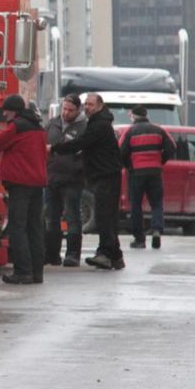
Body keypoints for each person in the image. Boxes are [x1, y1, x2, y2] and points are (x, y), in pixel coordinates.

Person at [51, 92, 125, 270]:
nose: (87, 107)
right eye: (86, 104)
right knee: (107, 216)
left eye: (90, 104)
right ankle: (115, 256)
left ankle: (105, 254)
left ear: (100, 106)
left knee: (104, 216)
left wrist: (54, 148)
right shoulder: (99, 122)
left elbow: (80, 143)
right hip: (105, 174)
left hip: (105, 176)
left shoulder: (99, 125)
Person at [0, 94, 48, 284]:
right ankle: (37, 272)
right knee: (34, 228)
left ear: (13, 111)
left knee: (18, 227)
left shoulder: (17, 126)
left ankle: (23, 272)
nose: (4, 114)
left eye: (6, 111)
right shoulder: (38, 127)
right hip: (37, 182)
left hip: (20, 183)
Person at [120, 104, 176, 249]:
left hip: (136, 173)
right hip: (155, 172)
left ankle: (139, 239)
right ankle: (156, 230)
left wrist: (129, 165)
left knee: (136, 205)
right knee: (156, 203)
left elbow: (121, 151)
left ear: (133, 116)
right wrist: (160, 160)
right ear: (146, 115)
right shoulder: (158, 130)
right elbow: (172, 147)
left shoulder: (129, 131)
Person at [44, 94, 88, 267]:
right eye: (64, 109)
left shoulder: (84, 127)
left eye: (70, 110)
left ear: (78, 110)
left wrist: (78, 168)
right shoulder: (53, 123)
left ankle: (73, 254)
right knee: (51, 218)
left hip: (72, 179)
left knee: (72, 217)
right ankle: (52, 254)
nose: (66, 113)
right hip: (52, 177)